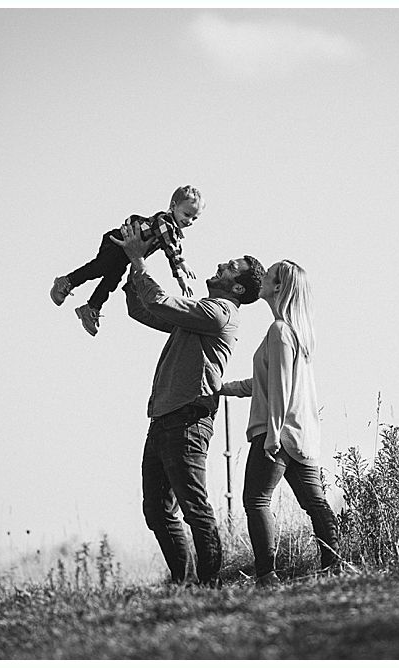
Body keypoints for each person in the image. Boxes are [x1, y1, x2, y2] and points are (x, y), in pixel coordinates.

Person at [111, 218, 265, 588]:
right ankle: (184, 582)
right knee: (157, 511)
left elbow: (159, 300)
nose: (222, 265)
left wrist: (140, 262)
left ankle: (211, 586)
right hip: (164, 417)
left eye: (231, 268)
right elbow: (146, 310)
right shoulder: (199, 315)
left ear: (238, 286)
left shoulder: (219, 314)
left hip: (188, 420)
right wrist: (132, 266)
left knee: (194, 507)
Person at [219, 260, 340, 586]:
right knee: (314, 502)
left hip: (277, 432)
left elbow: (281, 389)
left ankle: (267, 575)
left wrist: (272, 435)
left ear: (277, 287)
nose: (262, 278)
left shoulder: (280, 331)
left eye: (269, 275)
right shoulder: (293, 333)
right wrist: (222, 388)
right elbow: (266, 383)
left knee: (255, 500)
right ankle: (334, 565)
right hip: (300, 433)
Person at [50, 185, 203, 336]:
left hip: (126, 253)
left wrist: (180, 276)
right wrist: (181, 269)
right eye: (187, 214)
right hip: (117, 241)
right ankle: (67, 281)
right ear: (173, 206)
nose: (190, 221)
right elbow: (171, 249)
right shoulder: (164, 222)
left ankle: (92, 307)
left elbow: (173, 248)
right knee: (99, 267)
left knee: (113, 279)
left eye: (194, 218)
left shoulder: (173, 232)